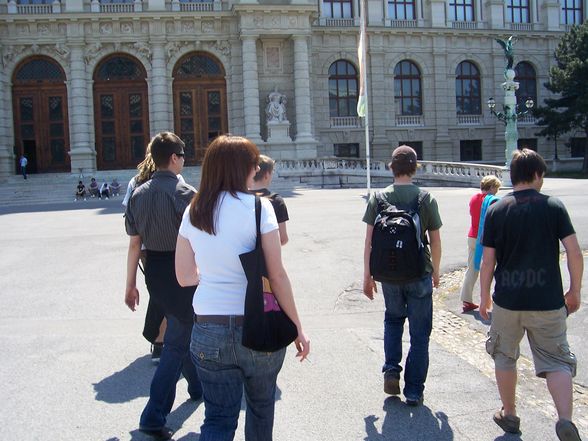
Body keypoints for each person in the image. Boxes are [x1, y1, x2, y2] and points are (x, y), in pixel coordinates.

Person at [175, 135, 310, 440]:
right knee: (261, 409)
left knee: (218, 418)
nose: (255, 170)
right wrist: (298, 327)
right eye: (253, 164)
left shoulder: (194, 211)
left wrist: (213, 274)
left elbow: (184, 276)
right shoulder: (261, 208)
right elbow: (276, 275)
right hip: (259, 324)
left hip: (209, 327)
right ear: (244, 169)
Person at [480, 149, 583, 440]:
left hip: (508, 301)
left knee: (504, 355)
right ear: (537, 175)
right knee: (557, 360)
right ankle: (564, 419)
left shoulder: (497, 210)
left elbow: (488, 261)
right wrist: (575, 290)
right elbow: (574, 252)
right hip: (547, 300)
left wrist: (485, 296)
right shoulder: (553, 206)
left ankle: (510, 413)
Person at [125, 132, 202, 440]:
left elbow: (134, 245)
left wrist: (130, 284)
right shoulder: (185, 192)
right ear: (174, 158)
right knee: (177, 339)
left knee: (179, 329)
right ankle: (153, 415)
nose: (184, 160)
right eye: (182, 155)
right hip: (181, 269)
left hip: (153, 271)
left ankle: (197, 387)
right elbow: (200, 239)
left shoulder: (138, 194)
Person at [362, 145, 442, 406]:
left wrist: (368, 275)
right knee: (420, 333)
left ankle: (392, 370)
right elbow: (435, 240)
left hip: (388, 274)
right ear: (414, 167)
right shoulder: (425, 198)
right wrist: (436, 270)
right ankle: (414, 390)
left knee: (393, 320)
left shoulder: (378, 198)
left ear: (391, 168)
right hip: (419, 273)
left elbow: (369, 241)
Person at [459, 175, 501, 313]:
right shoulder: (493, 201)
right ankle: (495, 298)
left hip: (472, 235)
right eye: (497, 188)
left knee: (472, 268)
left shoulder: (474, 198)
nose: (497, 191)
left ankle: (466, 299)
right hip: (486, 238)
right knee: (492, 267)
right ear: (492, 187)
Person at [249, 154, 289, 245]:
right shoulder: (276, 200)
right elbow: (283, 238)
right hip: (267, 255)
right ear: (267, 174)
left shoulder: (240, 197)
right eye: (272, 172)